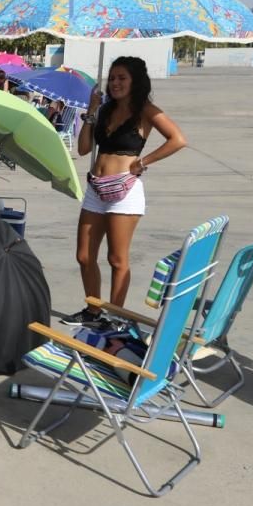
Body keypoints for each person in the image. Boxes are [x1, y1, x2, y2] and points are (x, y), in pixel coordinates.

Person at [64, 57, 187, 326]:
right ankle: (93, 309)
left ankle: (113, 316)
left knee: (117, 259)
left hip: (125, 191)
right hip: (96, 189)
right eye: (113, 78)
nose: (116, 83)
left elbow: (178, 139)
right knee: (84, 256)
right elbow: (84, 148)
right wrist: (92, 110)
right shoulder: (105, 110)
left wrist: (143, 162)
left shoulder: (145, 110)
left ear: (135, 81)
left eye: (122, 78)